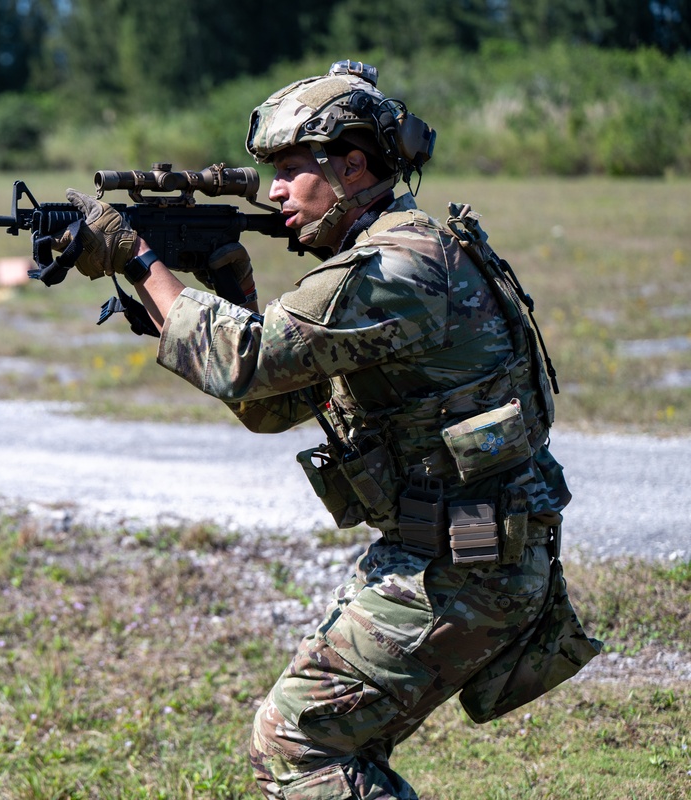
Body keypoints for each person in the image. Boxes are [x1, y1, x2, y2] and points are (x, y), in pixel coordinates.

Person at [54, 60, 600, 799]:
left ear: (352, 166)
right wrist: (229, 292)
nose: (274, 191)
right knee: (317, 739)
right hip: (462, 553)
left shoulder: (393, 268)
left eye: (288, 170)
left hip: (464, 568)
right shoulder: (410, 247)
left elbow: (244, 363)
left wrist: (138, 259)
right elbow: (277, 402)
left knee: (298, 744)